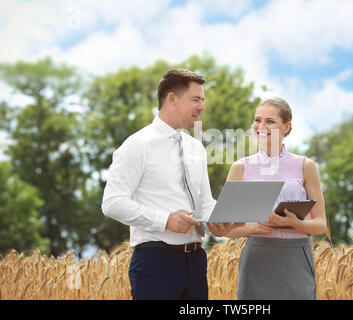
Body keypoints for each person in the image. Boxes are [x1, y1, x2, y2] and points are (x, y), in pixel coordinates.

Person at [101, 69, 240, 300]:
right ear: (172, 99)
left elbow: (204, 202)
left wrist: (218, 221)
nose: (202, 106)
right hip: (155, 263)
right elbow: (112, 203)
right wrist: (165, 220)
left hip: (196, 262)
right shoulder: (136, 145)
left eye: (203, 100)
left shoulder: (197, 149)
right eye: (196, 99)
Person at [225, 97, 329, 300]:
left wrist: (293, 223)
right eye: (257, 120)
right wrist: (255, 227)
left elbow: (320, 225)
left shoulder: (305, 166)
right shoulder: (241, 168)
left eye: (269, 121)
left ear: (286, 127)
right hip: (256, 258)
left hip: (296, 257)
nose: (260, 126)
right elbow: (227, 228)